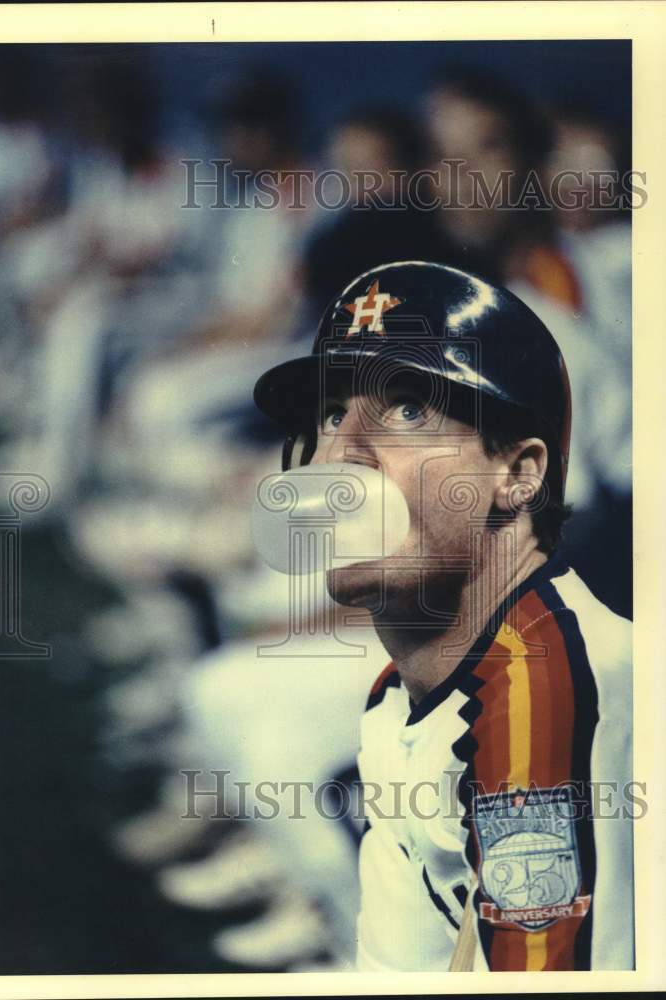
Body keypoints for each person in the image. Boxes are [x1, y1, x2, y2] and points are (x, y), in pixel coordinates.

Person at [252, 260, 633, 971]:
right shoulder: (397, 697)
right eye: (333, 414)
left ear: (519, 473)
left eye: (405, 410)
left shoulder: (544, 688)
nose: (341, 456)